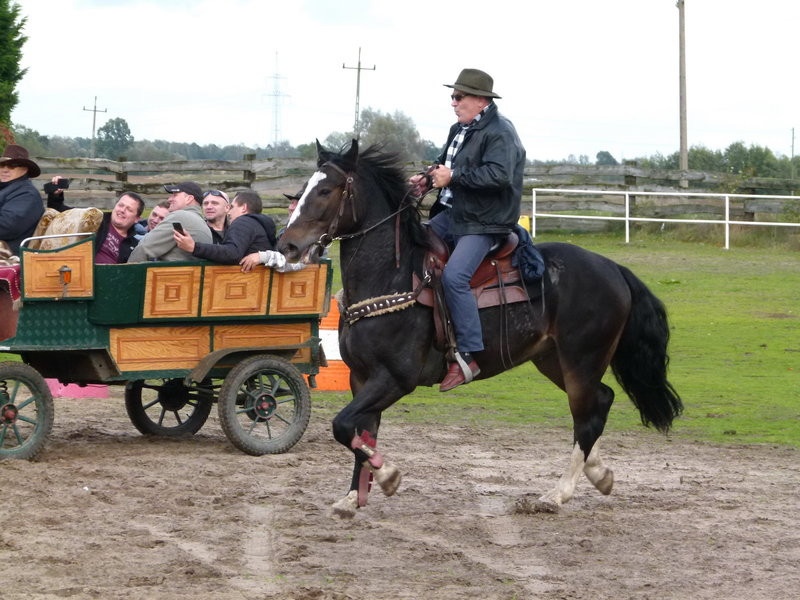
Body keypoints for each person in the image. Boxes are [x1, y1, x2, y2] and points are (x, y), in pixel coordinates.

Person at [409, 68, 526, 392]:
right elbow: (443, 165)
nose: (453, 102)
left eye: (459, 97)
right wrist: (427, 178)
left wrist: (454, 177)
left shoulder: (500, 132)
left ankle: (468, 356)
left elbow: (499, 176)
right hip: (452, 215)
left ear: (480, 100)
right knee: (409, 248)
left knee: (455, 276)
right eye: (453, 96)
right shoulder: (459, 129)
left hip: (485, 222)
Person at [174, 190, 276, 264]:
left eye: (232, 207)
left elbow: (232, 253)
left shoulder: (243, 221)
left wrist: (194, 247)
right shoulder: (259, 225)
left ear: (244, 208)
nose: (229, 212)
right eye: (205, 204)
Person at [127, 181, 212, 262]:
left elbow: (144, 248)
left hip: (167, 275)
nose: (169, 199)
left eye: (175, 195)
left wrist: (126, 273)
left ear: (189, 199)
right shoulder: (203, 224)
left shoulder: (180, 216)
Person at [0, 144, 45, 254]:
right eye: (2, 165)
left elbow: (6, 227)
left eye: (12, 166)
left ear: (24, 169)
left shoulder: (27, 194)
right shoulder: (7, 189)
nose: (5, 170)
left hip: (10, 250)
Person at [94, 192, 144, 264]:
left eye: (129, 209)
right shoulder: (96, 220)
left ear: (136, 219)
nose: (122, 210)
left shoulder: (135, 246)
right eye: (120, 205)